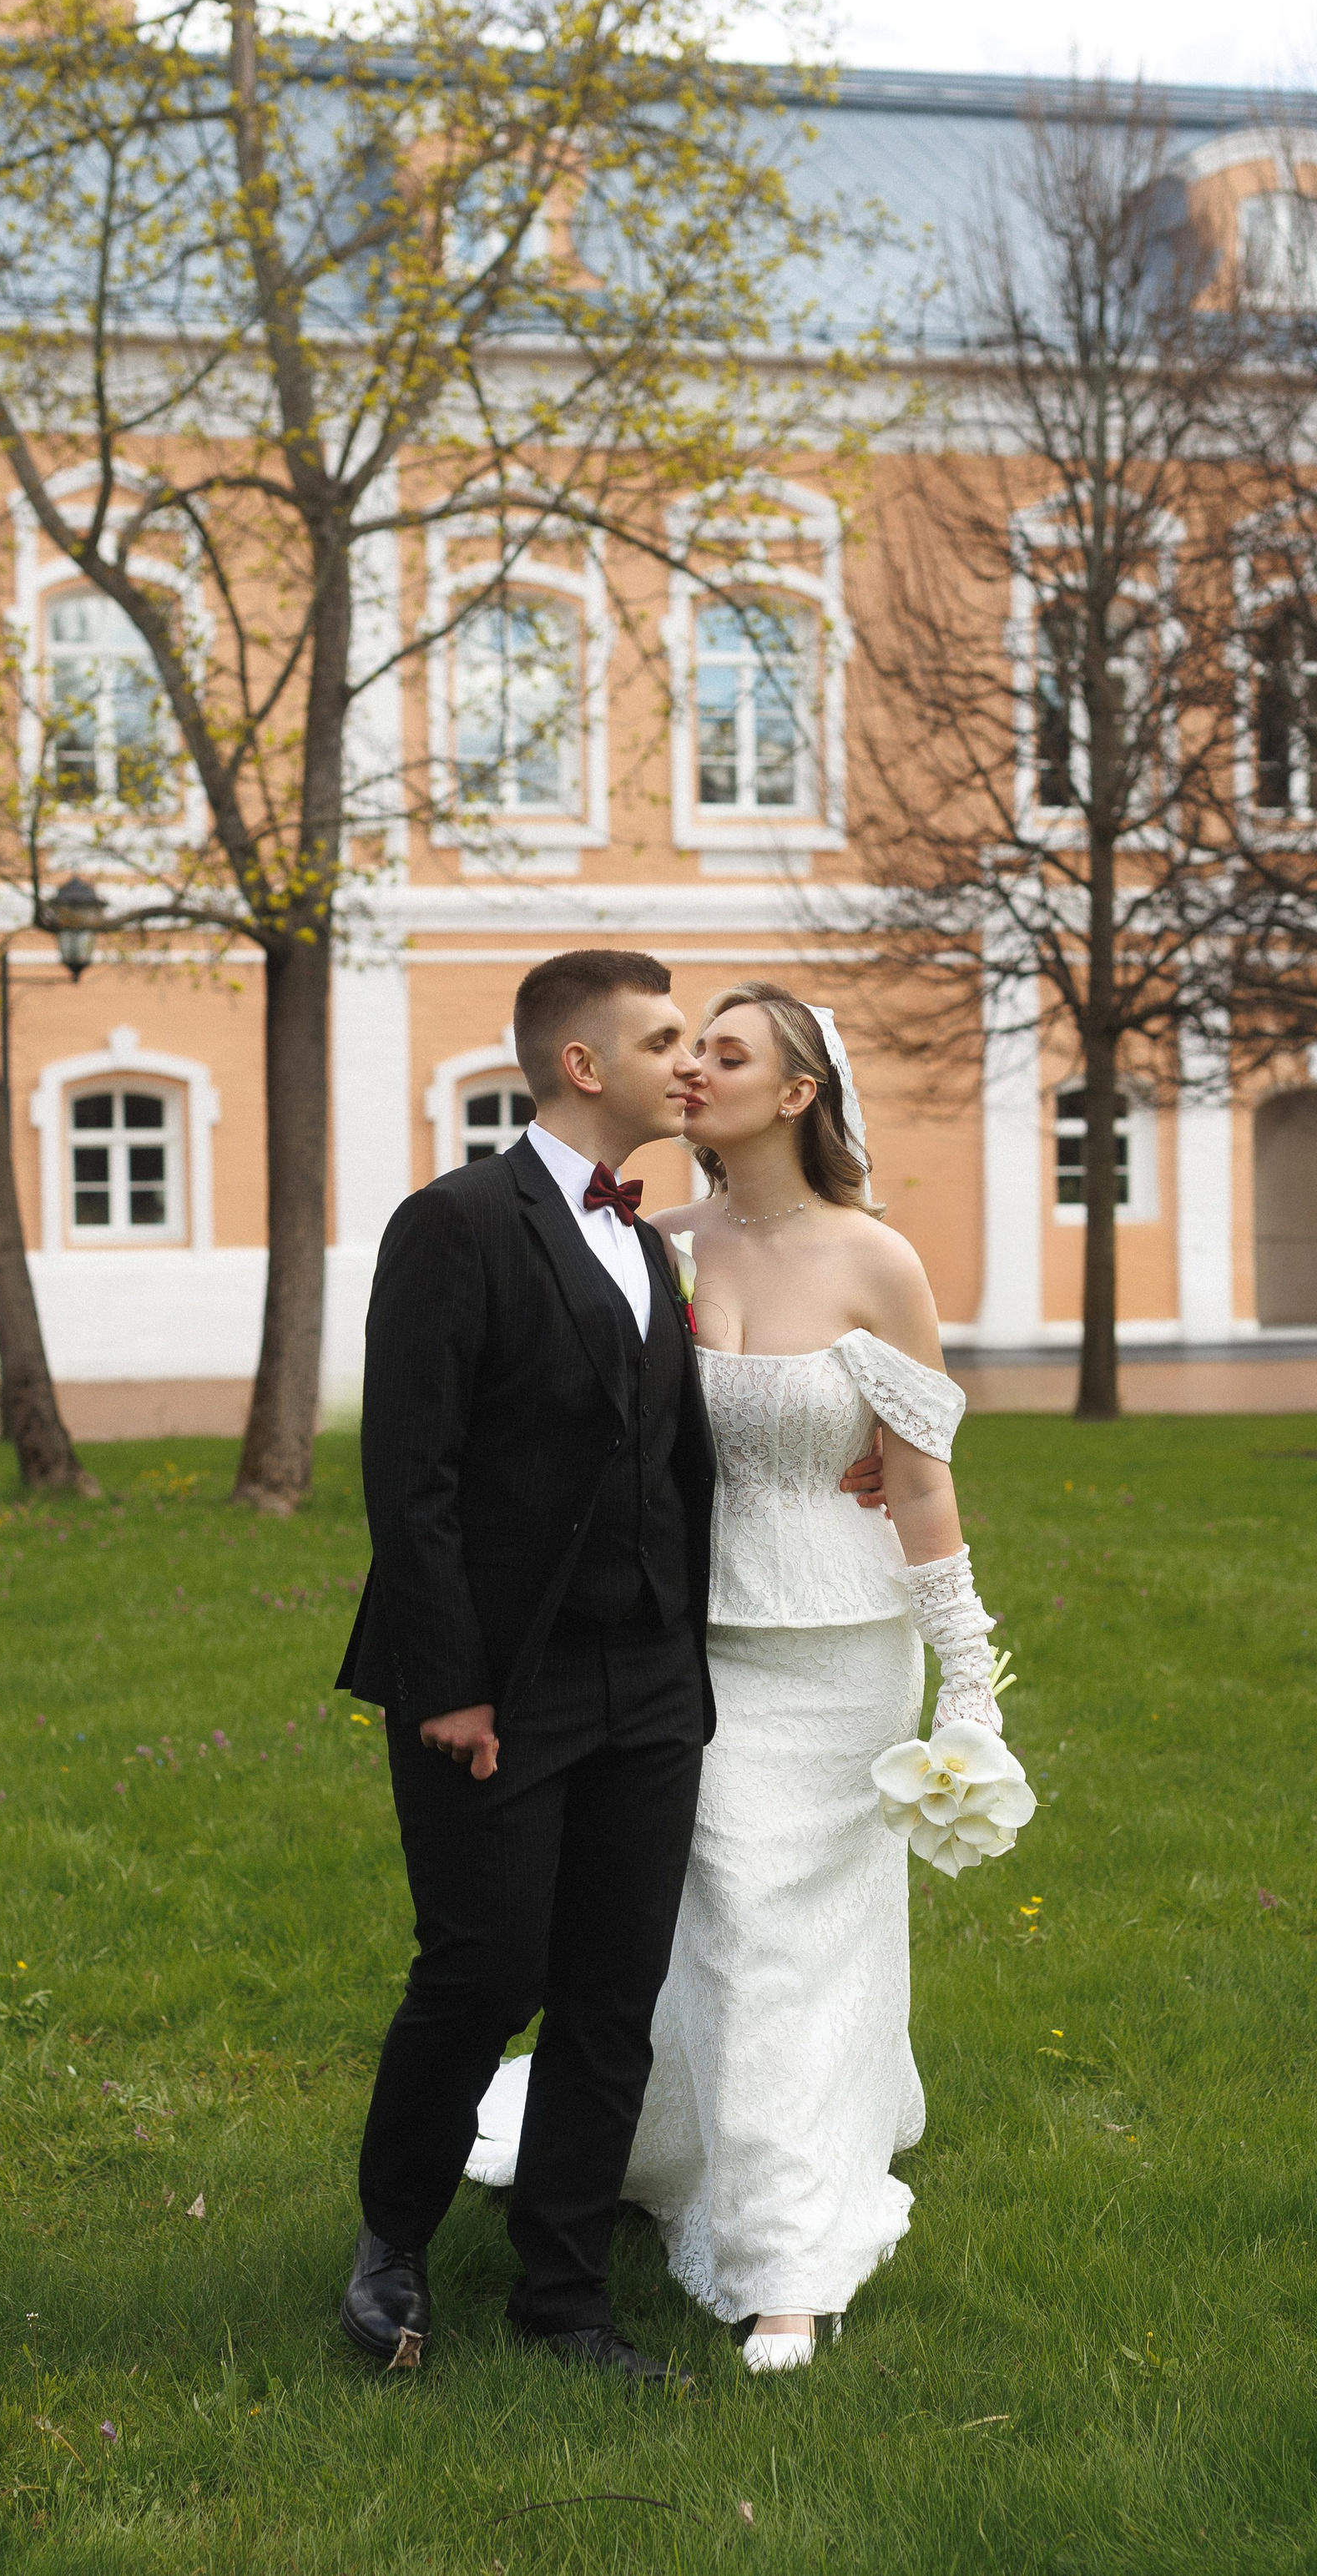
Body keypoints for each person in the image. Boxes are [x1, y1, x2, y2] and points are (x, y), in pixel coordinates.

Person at [472, 982, 1008, 2375]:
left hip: (844, 1653)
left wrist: (971, 1685)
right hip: (689, 1646)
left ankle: (788, 2264)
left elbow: (925, 1485)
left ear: (798, 1093)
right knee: (718, 1937)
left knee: (807, 1941)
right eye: (685, 1048)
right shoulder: (655, 1250)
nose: (693, 1069)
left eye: (728, 1053)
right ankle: (725, 2173)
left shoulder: (879, 1261)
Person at [333, 947, 719, 2388]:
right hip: (496, 1682)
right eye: (666, 1037)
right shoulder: (453, 1225)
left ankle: (565, 2298)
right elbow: (409, 1473)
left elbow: (671, 1458)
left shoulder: (655, 1243)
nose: (691, 1060)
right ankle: (392, 2241)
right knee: (485, 1968)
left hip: (650, 1686)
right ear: (582, 1063)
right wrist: (449, 1683)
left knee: (614, 1990)